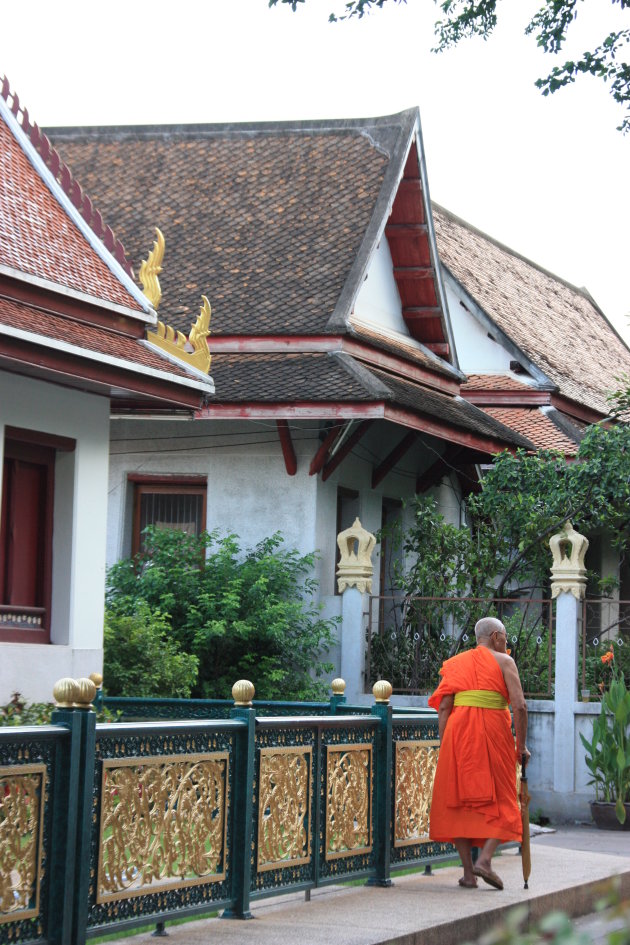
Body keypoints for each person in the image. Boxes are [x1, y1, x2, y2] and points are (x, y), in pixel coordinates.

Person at [427, 617, 529, 890]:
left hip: (457, 735)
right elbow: (519, 706)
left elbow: (445, 707)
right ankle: (484, 860)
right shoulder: (505, 661)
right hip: (492, 730)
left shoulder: (457, 663)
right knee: (504, 797)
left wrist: (446, 743)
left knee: (459, 802)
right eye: (505, 638)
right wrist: (521, 747)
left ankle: (469, 874)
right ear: (496, 636)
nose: (506, 643)